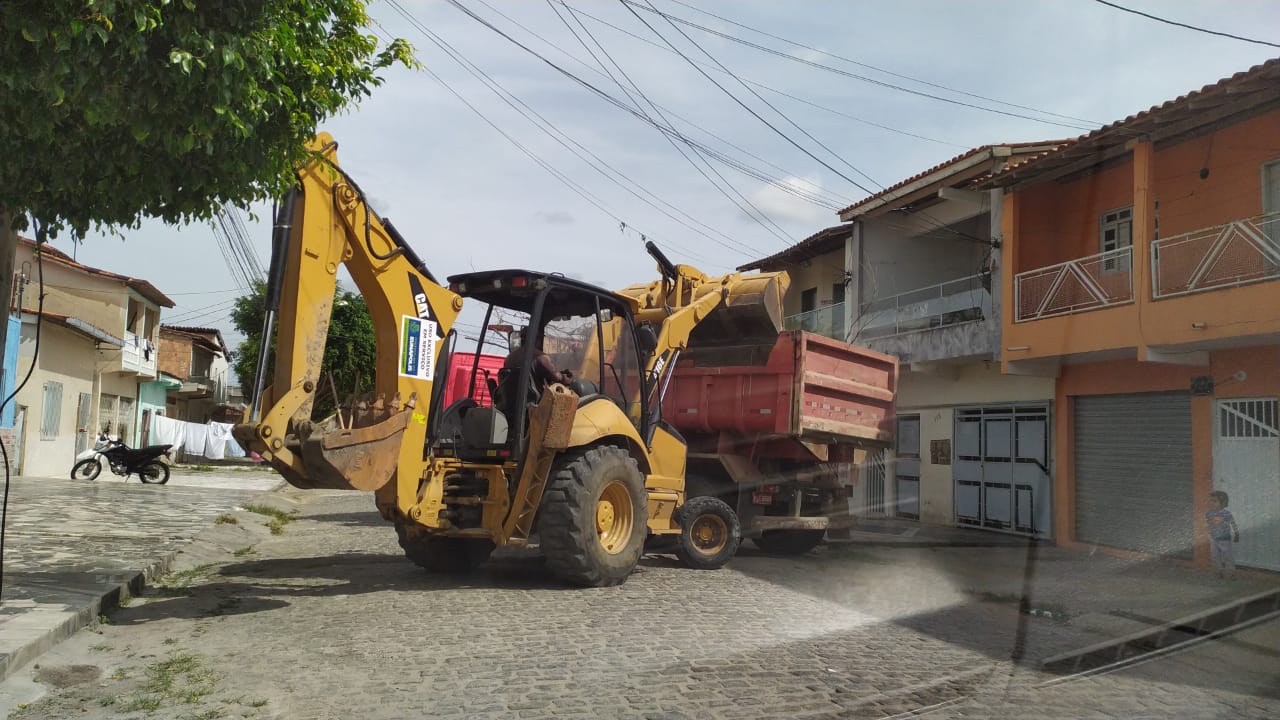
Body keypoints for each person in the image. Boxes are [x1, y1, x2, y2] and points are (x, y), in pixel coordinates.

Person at [1206, 490, 1240, 579]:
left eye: (1214, 501)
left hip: (1225, 539)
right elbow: (1208, 524)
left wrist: (1236, 534)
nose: (1211, 503)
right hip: (1214, 539)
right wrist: (1208, 534)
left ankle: (1231, 573)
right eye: (1210, 501)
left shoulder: (1227, 514)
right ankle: (1218, 572)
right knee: (1215, 556)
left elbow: (1233, 524)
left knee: (1227, 556)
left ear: (1223, 503)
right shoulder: (1209, 513)